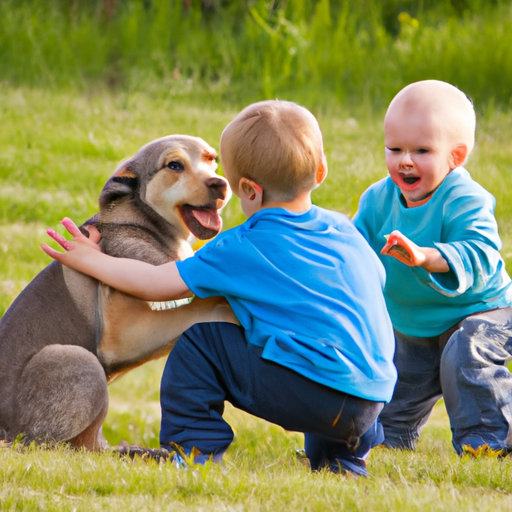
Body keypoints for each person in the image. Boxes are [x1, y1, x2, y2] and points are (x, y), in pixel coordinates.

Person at [42, 100, 396, 477]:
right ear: (321, 171)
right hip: (372, 397)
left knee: (202, 343)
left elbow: (157, 284)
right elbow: (376, 283)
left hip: (316, 397)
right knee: (324, 343)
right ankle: (344, 461)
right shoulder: (347, 232)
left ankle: (194, 452)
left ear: (247, 190)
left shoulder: (240, 246)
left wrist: (91, 260)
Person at [353, 79, 512, 455]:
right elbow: (354, 249)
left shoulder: (465, 198)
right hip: (413, 325)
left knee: (466, 353)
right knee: (392, 392)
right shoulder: (378, 200)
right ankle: (387, 442)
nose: (405, 161)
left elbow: (480, 251)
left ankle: (488, 443)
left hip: (485, 313)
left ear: (455, 156)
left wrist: (426, 257)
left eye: (422, 150)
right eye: (395, 149)